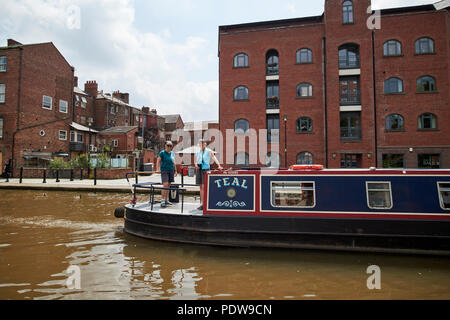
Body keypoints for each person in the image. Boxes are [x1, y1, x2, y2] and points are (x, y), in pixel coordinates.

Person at [195, 139, 223, 210]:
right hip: (199, 170)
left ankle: (206, 204)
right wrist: (196, 165)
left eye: (203, 143)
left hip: (205, 170)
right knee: (201, 187)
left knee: (204, 187)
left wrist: (218, 165)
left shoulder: (208, 151)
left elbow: (214, 157)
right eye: (200, 143)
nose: (202, 145)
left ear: (205, 144)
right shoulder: (198, 152)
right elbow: (196, 161)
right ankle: (203, 204)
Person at [156, 141, 177, 208]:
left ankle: (166, 200)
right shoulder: (162, 153)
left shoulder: (172, 153)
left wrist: (175, 170)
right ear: (165, 146)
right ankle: (162, 200)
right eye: (168, 145)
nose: (169, 147)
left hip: (171, 170)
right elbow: (158, 160)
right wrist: (158, 169)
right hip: (164, 170)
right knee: (165, 184)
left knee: (168, 185)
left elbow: (174, 162)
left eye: (170, 146)